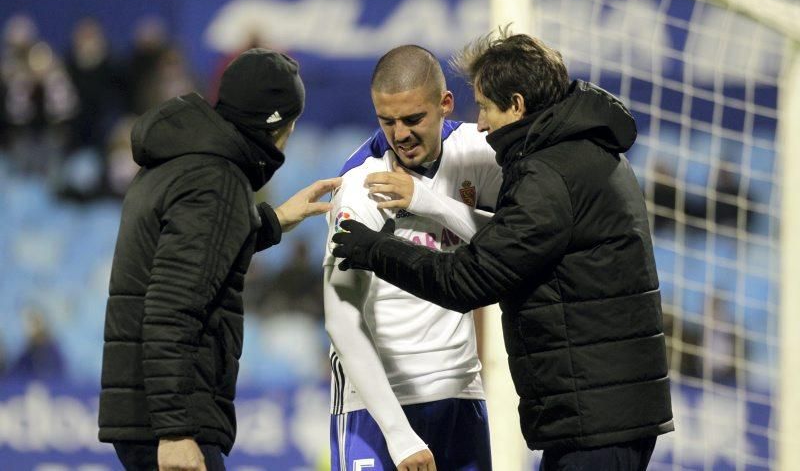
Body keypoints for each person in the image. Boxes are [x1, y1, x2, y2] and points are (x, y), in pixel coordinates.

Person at [332, 30, 674, 470]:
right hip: (601, 409)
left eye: (487, 107)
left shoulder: (549, 174)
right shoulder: (583, 152)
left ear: (516, 104)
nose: (480, 123)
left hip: (597, 414)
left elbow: (470, 279)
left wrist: (376, 249)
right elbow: (507, 243)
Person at [98, 48, 340, 471]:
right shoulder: (217, 179)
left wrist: (274, 220)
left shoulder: (179, 162)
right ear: (278, 124)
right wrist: (175, 432)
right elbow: (172, 308)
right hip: (172, 420)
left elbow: (200, 252)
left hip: (144, 411)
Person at [324, 45, 502, 471]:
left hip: (460, 394)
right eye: (387, 121)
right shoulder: (362, 184)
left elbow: (514, 246)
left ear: (446, 104)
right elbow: (340, 317)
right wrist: (400, 435)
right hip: (376, 407)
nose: (399, 134)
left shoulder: (479, 153)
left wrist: (428, 202)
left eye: (413, 119)